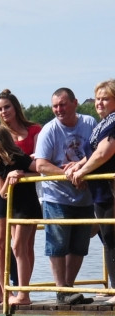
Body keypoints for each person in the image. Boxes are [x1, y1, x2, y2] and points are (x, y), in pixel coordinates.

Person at [34, 88, 96, 305]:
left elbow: (98, 153)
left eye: (62, 104)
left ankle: (69, 288)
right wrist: (69, 175)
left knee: (80, 244)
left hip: (85, 195)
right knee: (58, 244)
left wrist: (84, 172)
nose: (58, 109)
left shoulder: (89, 123)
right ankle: (62, 289)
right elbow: (41, 164)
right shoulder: (49, 131)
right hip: (57, 195)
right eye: (55, 106)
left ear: (74, 103)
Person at [68, 79, 115, 304]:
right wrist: (78, 165)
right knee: (108, 240)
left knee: (113, 239)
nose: (99, 103)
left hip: (111, 190)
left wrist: (82, 170)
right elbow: (93, 151)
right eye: (97, 99)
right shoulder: (103, 124)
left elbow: (104, 152)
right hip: (102, 192)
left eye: (105, 99)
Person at [0, 125, 42, 306]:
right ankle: (7, 292)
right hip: (12, 204)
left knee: (19, 246)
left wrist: (22, 174)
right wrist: (9, 177)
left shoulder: (19, 156)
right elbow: (2, 193)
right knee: (9, 247)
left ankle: (23, 293)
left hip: (26, 205)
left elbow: (38, 169)